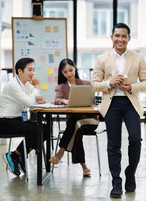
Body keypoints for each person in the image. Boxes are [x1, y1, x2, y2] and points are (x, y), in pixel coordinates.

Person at [91, 23, 146, 198]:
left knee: (136, 139)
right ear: (112, 37)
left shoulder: (138, 58)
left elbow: (145, 82)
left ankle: (130, 173)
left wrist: (132, 87)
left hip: (130, 102)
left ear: (129, 38)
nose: (120, 39)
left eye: (124, 36)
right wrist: (110, 83)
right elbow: (93, 85)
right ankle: (116, 182)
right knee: (113, 145)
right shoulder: (102, 59)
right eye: (117, 36)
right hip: (112, 102)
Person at [49, 58, 99, 176]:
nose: (69, 74)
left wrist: (90, 103)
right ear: (62, 73)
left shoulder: (87, 84)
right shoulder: (61, 87)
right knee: (77, 128)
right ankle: (84, 167)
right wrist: (65, 101)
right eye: (65, 72)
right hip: (76, 124)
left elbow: (94, 101)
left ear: (75, 68)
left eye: (71, 70)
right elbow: (56, 100)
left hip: (90, 121)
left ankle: (60, 152)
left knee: (76, 123)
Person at [0, 57, 46, 176]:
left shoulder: (25, 85)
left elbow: (36, 96)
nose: (32, 73)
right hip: (5, 122)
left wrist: (38, 97)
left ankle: (18, 156)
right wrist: (37, 87)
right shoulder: (12, 85)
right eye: (30, 70)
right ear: (20, 71)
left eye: (33, 70)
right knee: (34, 131)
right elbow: (29, 102)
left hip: (17, 119)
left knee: (44, 129)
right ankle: (16, 156)